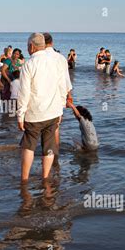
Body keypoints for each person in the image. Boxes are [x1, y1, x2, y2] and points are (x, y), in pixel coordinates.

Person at [17, 33, 68, 182]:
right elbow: (62, 86)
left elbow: (24, 93)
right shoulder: (56, 61)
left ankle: (24, 179)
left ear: (32, 46)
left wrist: (20, 115)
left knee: (29, 146)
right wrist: (61, 108)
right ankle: (45, 177)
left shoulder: (29, 64)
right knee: (49, 146)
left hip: (34, 113)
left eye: (27, 46)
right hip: (53, 112)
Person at [44, 33, 73, 166]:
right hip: (58, 98)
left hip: (43, 97)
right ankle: (55, 155)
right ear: (52, 43)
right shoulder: (61, 58)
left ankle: (46, 156)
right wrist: (69, 96)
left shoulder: (39, 57)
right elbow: (67, 80)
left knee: (41, 127)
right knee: (55, 128)